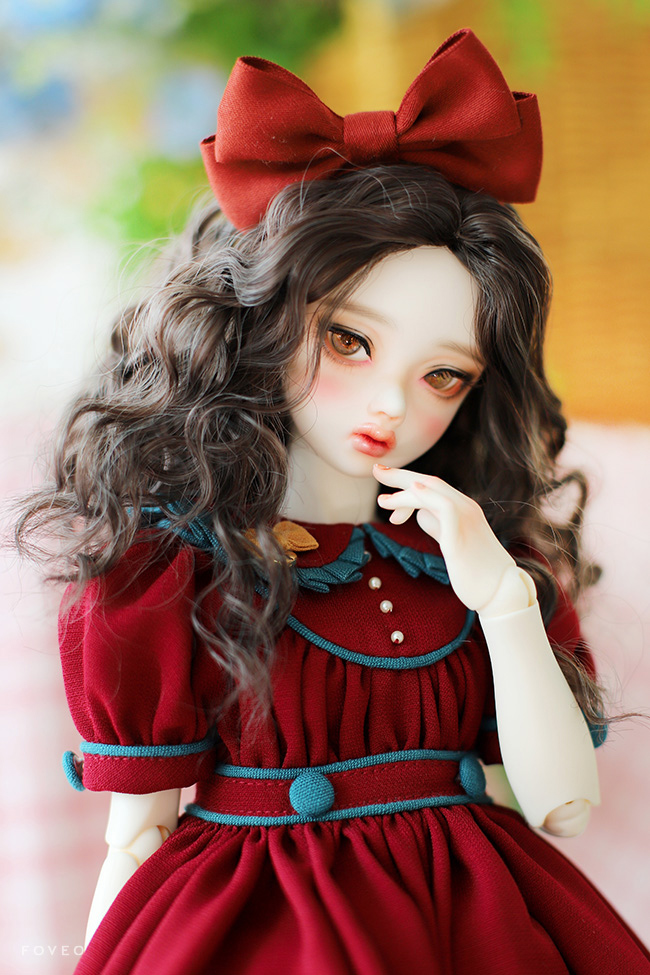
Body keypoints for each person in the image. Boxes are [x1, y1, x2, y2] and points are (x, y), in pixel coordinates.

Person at [18, 27, 650, 975]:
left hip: (475, 918)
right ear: (259, 321)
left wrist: (507, 602)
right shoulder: (175, 567)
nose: (391, 403)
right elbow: (137, 832)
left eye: (442, 375)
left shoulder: (478, 558)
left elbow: (562, 806)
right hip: (261, 919)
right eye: (349, 342)